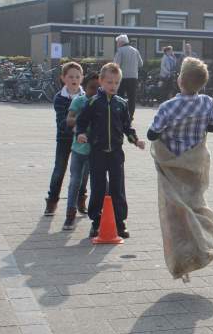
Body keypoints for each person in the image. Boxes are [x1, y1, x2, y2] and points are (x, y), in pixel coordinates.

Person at [147, 57, 213, 281]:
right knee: (195, 205)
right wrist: (201, 123)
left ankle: (183, 259)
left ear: (180, 79)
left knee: (175, 214)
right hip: (194, 167)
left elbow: (152, 134)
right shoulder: (207, 102)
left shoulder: (168, 107)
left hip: (172, 168)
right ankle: (203, 243)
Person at [76, 63, 146, 239]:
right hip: (97, 153)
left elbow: (127, 127)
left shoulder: (121, 104)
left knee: (118, 187)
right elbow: (82, 121)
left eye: (116, 82)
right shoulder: (93, 102)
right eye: (109, 82)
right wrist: (81, 134)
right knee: (98, 187)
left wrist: (135, 140)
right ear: (101, 81)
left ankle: (120, 222)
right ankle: (96, 222)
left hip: (116, 153)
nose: (113, 86)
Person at [44, 62, 83, 216]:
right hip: (64, 138)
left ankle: (80, 200)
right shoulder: (59, 98)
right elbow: (62, 121)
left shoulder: (86, 97)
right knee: (59, 170)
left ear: (82, 78)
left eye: (77, 76)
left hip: (82, 141)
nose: (74, 79)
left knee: (81, 173)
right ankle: (52, 201)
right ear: (63, 78)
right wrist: (75, 128)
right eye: (71, 76)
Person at [62, 72, 98, 231]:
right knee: (75, 180)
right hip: (78, 149)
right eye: (91, 88)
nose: (95, 91)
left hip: (95, 150)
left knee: (85, 179)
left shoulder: (102, 103)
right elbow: (69, 120)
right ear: (85, 87)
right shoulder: (79, 100)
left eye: (98, 88)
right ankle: (70, 214)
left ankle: (82, 201)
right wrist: (83, 118)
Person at [114, 34, 143, 121]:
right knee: (132, 97)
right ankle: (130, 116)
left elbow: (116, 65)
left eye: (117, 42)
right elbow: (141, 64)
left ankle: (121, 114)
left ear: (121, 42)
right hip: (134, 77)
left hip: (122, 77)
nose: (117, 44)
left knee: (120, 97)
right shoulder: (135, 50)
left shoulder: (120, 51)